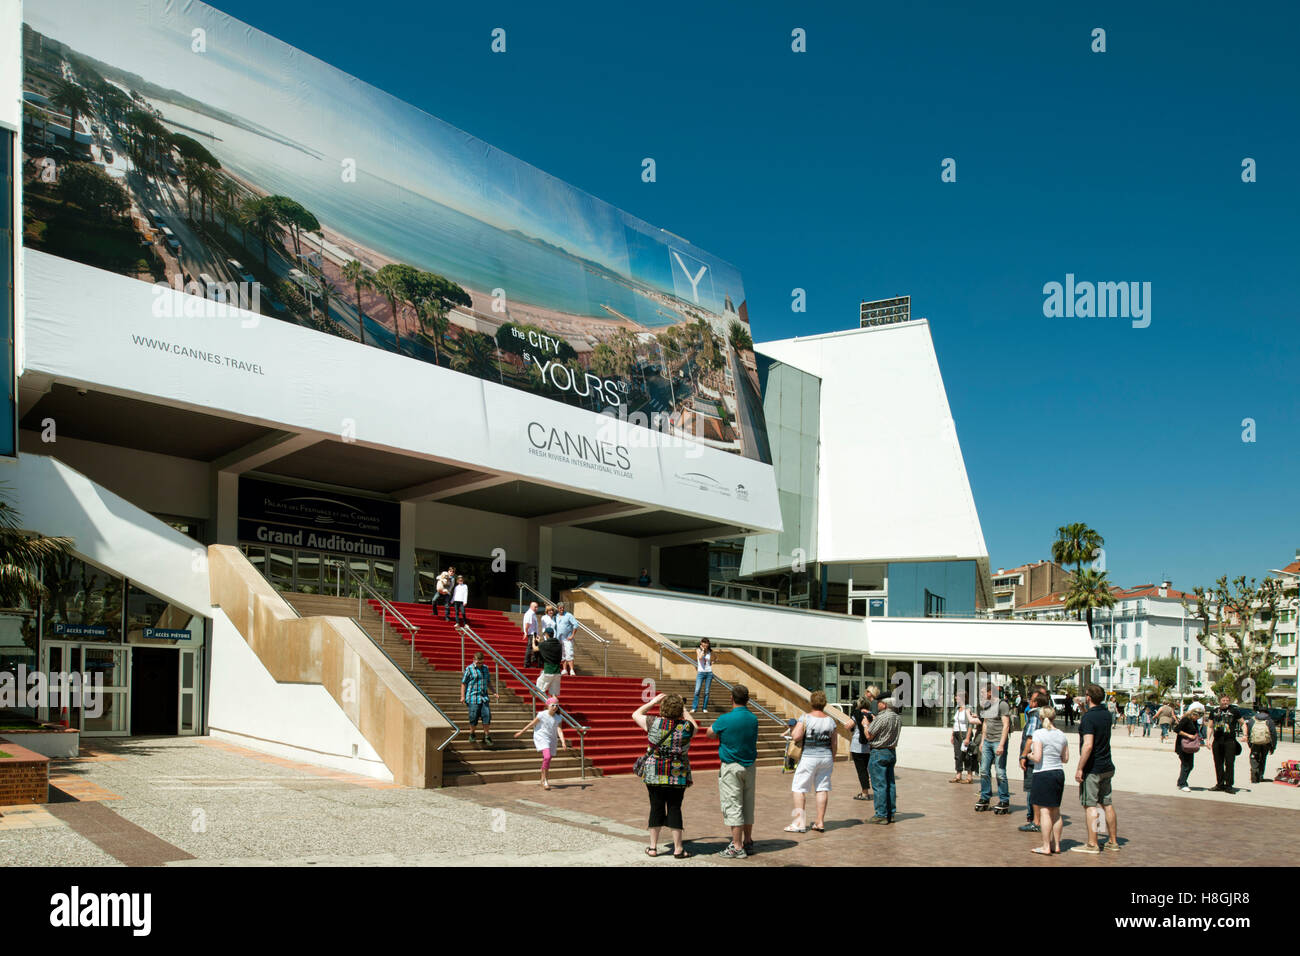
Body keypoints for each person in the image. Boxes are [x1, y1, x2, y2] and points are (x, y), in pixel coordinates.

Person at [633, 692, 698, 859]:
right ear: (679, 710)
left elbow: (636, 714)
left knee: (656, 807)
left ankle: (653, 847)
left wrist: (653, 701)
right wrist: (683, 709)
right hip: (677, 773)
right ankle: (678, 848)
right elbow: (695, 726)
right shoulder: (686, 728)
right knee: (675, 808)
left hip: (654, 772)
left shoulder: (653, 722)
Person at [707, 684, 759, 858]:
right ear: (748, 699)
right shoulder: (753, 719)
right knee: (748, 804)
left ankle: (737, 846)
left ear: (731, 699)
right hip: (750, 766)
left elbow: (709, 733)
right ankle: (748, 841)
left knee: (733, 805)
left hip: (731, 766)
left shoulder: (725, 719)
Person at [1070, 684, 1119, 854]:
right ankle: (1112, 841)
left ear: (1088, 697)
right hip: (1107, 765)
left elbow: (1088, 745)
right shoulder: (1105, 714)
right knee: (1106, 804)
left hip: (1093, 767)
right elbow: (1093, 721)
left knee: (1090, 805)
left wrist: (1079, 768)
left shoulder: (1089, 719)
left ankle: (1093, 843)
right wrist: (1083, 708)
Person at [786, 690, 837, 833]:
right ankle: (820, 822)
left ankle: (799, 823)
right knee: (822, 788)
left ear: (811, 703)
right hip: (826, 756)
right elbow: (834, 743)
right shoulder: (831, 721)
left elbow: (796, 736)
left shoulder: (805, 718)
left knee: (799, 788)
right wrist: (832, 759)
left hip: (809, 756)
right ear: (824, 704)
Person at [1028, 706, 1070, 855]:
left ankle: (1046, 846)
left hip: (1043, 773)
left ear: (1040, 718)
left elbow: (1037, 757)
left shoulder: (1038, 734)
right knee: (1056, 811)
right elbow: (1065, 759)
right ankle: (1056, 844)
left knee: (1045, 811)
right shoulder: (1061, 735)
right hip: (1058, 772)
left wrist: (1029, 755)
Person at [515, 696, 567, 789]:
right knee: (546, 756)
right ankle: (545, 780)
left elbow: (559, 730)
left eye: (556, 705)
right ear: (548, 706)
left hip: (552, 739)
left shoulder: (558, 718)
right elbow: (532, 724)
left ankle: (543, 779)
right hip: (541, 736)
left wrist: (563, 742)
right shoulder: (542, 714)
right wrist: (521, 732)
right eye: (552, 705)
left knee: (548, 759)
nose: (555, 707)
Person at [865, 695, 902, 824]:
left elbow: (869, 735)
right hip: (891, 751)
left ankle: (881, 814)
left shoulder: (882, 717)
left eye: (880, 703)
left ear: (884, 704)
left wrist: (865, 725)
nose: (878, 705)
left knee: (879, 784)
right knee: (890, 783)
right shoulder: (897, 717)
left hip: (879, 751)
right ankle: (891, 813)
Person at [975, 684, 1011, 814]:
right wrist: (983, 741)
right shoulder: (986, 705)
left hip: (998, 742)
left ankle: (1004, 799)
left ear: (991, 692)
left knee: (1000, 771)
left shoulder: (1002, 705)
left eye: (984, 692)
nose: (982, 694)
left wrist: (1001, 744)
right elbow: (985, 723)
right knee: (984, 770)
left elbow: (1006, 725)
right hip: (987, 742)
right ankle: (985, 797)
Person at [1018, 689, 1048, 833]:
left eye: (1031, 699)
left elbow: (1030, 738)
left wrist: (1024, 755)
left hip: (1032, 757)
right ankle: (1039, 818)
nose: (1029, 701)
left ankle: (1033, 819)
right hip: (1041, 758)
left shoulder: (1035, 715)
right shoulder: (1044, 716)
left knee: (1031, 788)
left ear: (1035, 702)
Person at [460, 651, 499, 746]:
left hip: (484, 697)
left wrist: (494, 692)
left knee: (487, 716)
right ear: (474, 660)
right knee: (473, 717)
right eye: (478, 663)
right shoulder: (469, 669)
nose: (480, 664)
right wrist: (462, 696)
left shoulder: (486, 669)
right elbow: (463, 683)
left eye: (481, 662)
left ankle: (487, 736)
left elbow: (488, 682)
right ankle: (472, 734)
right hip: (472, 697)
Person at [1209, 694, 1244, 793]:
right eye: (1223, 700)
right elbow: (1210, 726)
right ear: (1219, 701)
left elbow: (1242, 723)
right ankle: (1220, 784)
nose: (1225, 702)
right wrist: (1208, 739)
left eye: (1227, 700)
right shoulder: (1214, 711)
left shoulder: (1234, 711)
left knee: (1229, 763)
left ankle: (1229, 785)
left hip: (1230, 741)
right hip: (1217, 740)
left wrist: (1245, 734)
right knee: (1218, 763)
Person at [1175, 702, 1204, 791]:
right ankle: (1183, 784)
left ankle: (1181, 781)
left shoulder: (1193, 722)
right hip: (1183, 745)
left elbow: (1195, 731)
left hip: (1190, 746)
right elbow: (1176, 729)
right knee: (1186, 764)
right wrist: (1188, 735)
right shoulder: (1186, 719)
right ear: (1193, 714)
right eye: (1196, 716)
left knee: (1190, 765)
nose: (1197, 718)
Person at [850, 694, 874, 799]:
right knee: (868, 770)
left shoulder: (856, 714)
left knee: (861, 770)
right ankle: (868, 790)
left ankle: (865, 793)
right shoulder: (872, 715)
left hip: (857, 746)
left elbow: (848, 725)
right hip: (869, 746)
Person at [1246, 705, 1278, 783]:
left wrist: (1249, 743)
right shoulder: (1269, 720)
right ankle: (1260, 776)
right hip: (1266, 743)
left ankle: (1254, 771)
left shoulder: (1252, 719)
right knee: (1263, 758)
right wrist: (1273, 746)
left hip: (1255, 742)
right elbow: (1273, 734)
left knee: (1254, 757)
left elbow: (1249, 732)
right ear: (1267, 712)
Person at [535, 627, 563, 698]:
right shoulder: (559, 645)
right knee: (554, 694)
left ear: (547, 634)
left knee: (539, 690)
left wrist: (533, 640)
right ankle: (555, 706)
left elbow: (535, 648)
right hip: (557, 671)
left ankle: (549, 703)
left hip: (548, 670)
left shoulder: (544, 644)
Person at [553, 603, 578, 677]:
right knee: (562, 654)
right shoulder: (556, 616)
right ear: (557, 608)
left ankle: (572, 670)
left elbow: (576, 625)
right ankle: (564, 669)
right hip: (559, 638)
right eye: (560, 608)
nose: (562, 609)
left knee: (569, 653)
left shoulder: (568, 615)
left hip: (567, 638)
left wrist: (572, 635)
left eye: (563, 608)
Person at [693, 638, 715, 713]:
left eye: (707, 643)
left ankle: (704, 708)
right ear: (701, 643)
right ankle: (694, 708)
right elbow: (700, 657)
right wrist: (702, 650)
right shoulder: (698, 650)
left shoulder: (710, 651)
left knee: (707, 692)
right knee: (697, 690)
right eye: (704, 643)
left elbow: (715, 657)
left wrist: (712, 662)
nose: (705, 644)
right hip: (701, 673)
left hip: (709, 672)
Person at [522, 601, 539, 668]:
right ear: (531, 606)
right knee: (530, 648)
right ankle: (527, 663)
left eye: (537, 607)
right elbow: (527, 624)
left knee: (533, 648)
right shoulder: (530, 614)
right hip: (531, 634)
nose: (536, 608)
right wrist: (526, 632)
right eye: (535, 607)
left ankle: (532, 662)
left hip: (533, 633)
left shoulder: (532, 614)